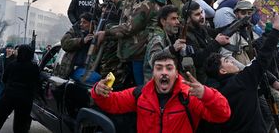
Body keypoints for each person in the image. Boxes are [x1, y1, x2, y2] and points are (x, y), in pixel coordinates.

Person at [91, 51, 231, 133]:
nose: (164, 72)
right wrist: (98, 90)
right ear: (153, 73)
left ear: (176, 73)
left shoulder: (190, 96)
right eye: (159, 68)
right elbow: (111, 103)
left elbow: (222, 115)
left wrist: (206, 94)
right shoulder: (140, 94)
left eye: (169, 68)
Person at [204, 13, 279, 133]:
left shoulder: (217, 95)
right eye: (226, 61)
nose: (231, 60)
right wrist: (276, 29)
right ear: (222, 71)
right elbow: (264, 56)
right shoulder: (244, 79)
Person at [97, 0, 166, 86]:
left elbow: (130, 27)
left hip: (140, 51)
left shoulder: (145, 1)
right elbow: (130, 10)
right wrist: (117, 1)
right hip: (137, 49)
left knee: (142, 86)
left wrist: (107, 32)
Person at [0, 44, 40, 133]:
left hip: (9, 95)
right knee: (21, 125)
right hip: (25, 98)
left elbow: (4, 79)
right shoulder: (34, 67)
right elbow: (37, 82)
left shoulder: (12, 64)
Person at [183, 1, 230, 83]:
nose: (202, 16)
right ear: (188, 18)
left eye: (201, 12)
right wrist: (216, 43)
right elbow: (198, 59)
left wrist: (236, 24)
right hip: (204, 77)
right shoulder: (186, 36)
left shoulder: (201, 27)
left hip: (213, 69)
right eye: (197, 14)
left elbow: (216, 32)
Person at [143, 5, 186, 83]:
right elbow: (153, 60)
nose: (177, 22)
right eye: (173, 19)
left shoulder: (172, 36)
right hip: (155, 86)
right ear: (163, 21)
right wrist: (172, 49)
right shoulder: (157, 38)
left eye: (177, 18)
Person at [55, 12, 99, 83]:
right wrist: (82, 41)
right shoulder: (74, 31)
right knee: (95, 78)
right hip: (73, 69)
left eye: (84, 22)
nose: (81, 24)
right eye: (81, 22)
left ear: (92, 24)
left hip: (90, 69)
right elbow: (64, 43)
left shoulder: (97, 34)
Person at [218, 0, 255, 70]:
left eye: (249, 13)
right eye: (243, 13)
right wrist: (244, 70)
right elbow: (226, 55)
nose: (247, 16)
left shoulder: (247, 29)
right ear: (236, 14)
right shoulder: (232, 31)